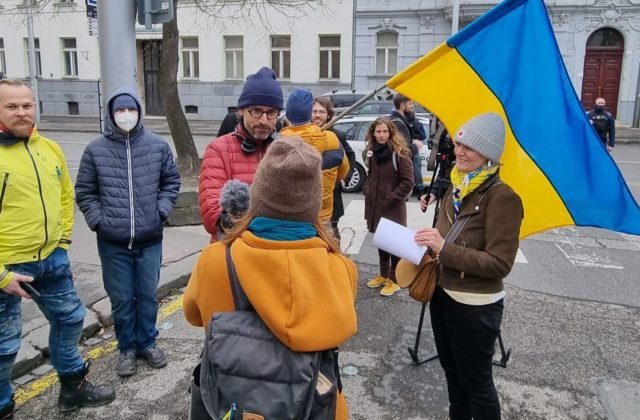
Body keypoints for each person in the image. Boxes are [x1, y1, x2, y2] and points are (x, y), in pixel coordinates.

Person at [184, 136, 357, 419]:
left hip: (233, 405)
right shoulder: (342, 269)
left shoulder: (216, 261)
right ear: (312, 204)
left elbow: (192, 315)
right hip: (314, 405)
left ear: (258, 197)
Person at [0, 79, 115, 416]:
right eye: (12, 106)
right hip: (8, 267)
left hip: (53, 259)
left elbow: (66, 197)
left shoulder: (49, 148)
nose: (22, 112)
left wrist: (63, 241)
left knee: (70, 321)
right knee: (5, 346)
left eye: (26, 104)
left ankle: (73, 389)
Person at [415, 113, 523, 419]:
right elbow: (442, 234)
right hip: (442, 295)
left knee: (476, 383)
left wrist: (444, 248)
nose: (459, 151)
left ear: (487, 156)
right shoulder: (457, 185)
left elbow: (500, 263)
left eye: (469, 148)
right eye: (459, 143)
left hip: (475, 306)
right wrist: (425, 244)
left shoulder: (503, 197)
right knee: (452, 374)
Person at [75, 88, 181, 377]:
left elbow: (171, 182)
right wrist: (99, 220)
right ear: (111, 115)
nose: (125, 115)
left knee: (146, 295)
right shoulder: (96, 149)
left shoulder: (157, 146)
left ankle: (147, 342)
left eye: (130, 110)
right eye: (120, 111)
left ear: (139, 112)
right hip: (113, 243)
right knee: (121, 298)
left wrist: (160, 211)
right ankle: (127, 348)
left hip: (149, 239)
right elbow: (85, 191)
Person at [199, 67, 284, 240]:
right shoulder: (218, 149)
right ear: (242, 110)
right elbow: (212, 214)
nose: (263, 120)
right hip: (231, 254)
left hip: (274, 253)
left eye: (271, 112)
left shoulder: (284, 150)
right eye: (256, 111)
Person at [280, 89, 350, 223]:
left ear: (287, 116)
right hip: (323, 216)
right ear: (309, 114)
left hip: (292, 217)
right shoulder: (333, 139)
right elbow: (342, 172)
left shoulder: (280, 141)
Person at [363, 117, 414, 297]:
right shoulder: (372, 151)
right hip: (376, 207)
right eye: (378, 131)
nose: (382, 135)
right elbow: (370, 174)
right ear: (373, 133)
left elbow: (408, 182)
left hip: (392, 208)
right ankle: (384, 275)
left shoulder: (399, 153)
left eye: (385, 131)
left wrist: (392, 197)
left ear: (391, 133)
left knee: (394, 245)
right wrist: (367, 188)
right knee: (382, 242)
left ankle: (395, 279)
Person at [311, 96, 356, 239]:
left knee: (332, 236)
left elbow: (350, 155)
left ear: (328, 114)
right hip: (310, 196)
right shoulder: (305, 133)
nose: (317, 115)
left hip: (331, 196)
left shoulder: (337, 135)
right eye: (314, 111)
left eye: (321, 112)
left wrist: (345, 178)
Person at [390, 94, 424, 196]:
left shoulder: (395, 120)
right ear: (402, 105)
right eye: (410, 104)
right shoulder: (398, 123)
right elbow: (401, 148)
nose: (412, 106)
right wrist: (415, 146)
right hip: (399, 169)